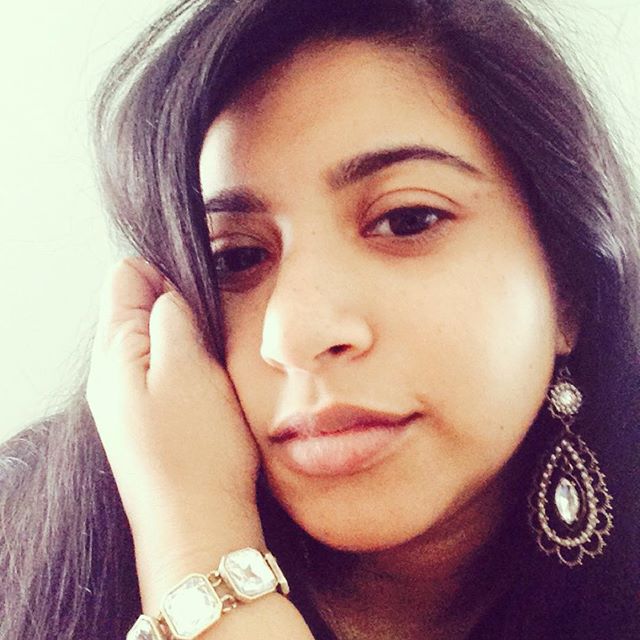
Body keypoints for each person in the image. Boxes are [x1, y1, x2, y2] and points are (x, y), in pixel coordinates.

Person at [1, 0, 639, 638]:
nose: (296, 335)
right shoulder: (19, 551)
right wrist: (189, 526)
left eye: (406, 219)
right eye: (236, 257)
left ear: (568, 289)